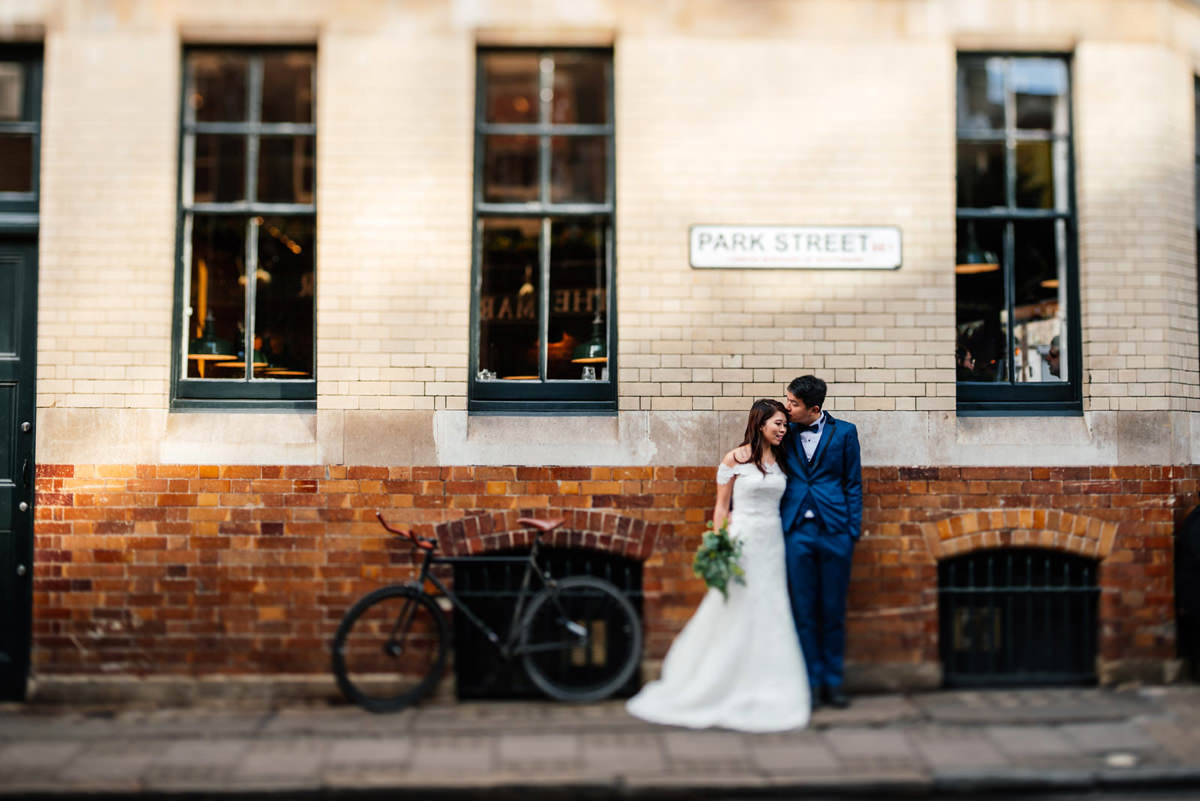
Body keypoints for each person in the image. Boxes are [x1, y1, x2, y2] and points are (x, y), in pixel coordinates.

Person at [626, 399, 810, 731]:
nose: (784, 430)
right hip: (742, 540)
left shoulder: (784, 459)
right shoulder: (734, 459)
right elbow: (721, 509)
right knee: (734, 606)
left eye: (785, 424)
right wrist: (722, 545)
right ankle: (714, 683)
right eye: (778, 424)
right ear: (760, 424)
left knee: (771, 607)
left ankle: (767, 684)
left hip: (772, 542)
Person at [780, 375, 862, 710]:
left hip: (835, 531)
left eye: (793, 403)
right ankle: (810, 683)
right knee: (803, 611)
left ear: (813, 408)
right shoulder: (782, 431)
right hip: (796, 531)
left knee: (832, 611)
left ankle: (833, 682)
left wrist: (851, 530)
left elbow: (853, 483)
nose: (787, 408)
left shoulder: (845, 432)